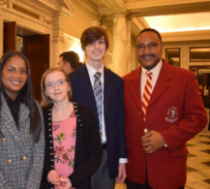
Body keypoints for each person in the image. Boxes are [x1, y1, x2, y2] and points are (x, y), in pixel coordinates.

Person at [123, 28, 207, 189]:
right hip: (135, 170)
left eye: (152, 45)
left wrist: (165, 137)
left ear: (162, 47)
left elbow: (198, 118)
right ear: (136, 50)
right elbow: (122, 121)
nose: (146, 51)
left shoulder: (184, 78)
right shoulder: (126, 81)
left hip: (168, 169)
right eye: (141, 47)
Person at [0, 51, 44, 189]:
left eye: (23, 71)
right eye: (11, 69)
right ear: (0, 72)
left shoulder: (34, 107)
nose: (17, 75)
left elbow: (38, 155)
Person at [68, 26, 127, 189]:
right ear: (84, 48)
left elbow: (120, 122)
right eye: (91, 43)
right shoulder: (70, 80)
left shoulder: (117, 81)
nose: (96, 47)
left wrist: (122, 159)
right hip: (81, 155)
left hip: (109, 155)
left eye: (100, 42)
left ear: (107, 46)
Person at [40, 68, 102, 189]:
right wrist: (46, 171)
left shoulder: (86, 115)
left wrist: (72, 180)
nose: (56, 88)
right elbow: (34, 153)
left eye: (60, 82)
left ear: (68, 86)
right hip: (48, 185)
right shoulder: (40, 117)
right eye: (50, 85)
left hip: (78, 184)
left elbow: (95, 155)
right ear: (46, 91)